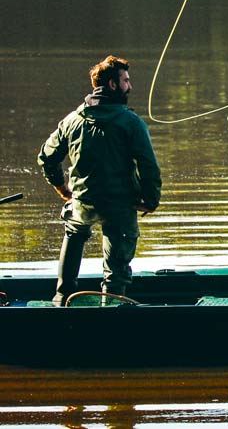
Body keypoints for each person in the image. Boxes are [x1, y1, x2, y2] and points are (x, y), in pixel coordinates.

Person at [37, 55, 162, 306]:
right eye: (126, 80)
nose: (130, 86)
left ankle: (62, 300)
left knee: (74, 230)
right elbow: (149, 167)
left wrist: (62, 188)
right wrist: (150, 200)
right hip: (120, 205)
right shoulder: (132, 123)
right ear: (113, 85)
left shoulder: (72, 120)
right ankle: (112, 309)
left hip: (82, 202)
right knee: (116, 269)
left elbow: (46, 158)